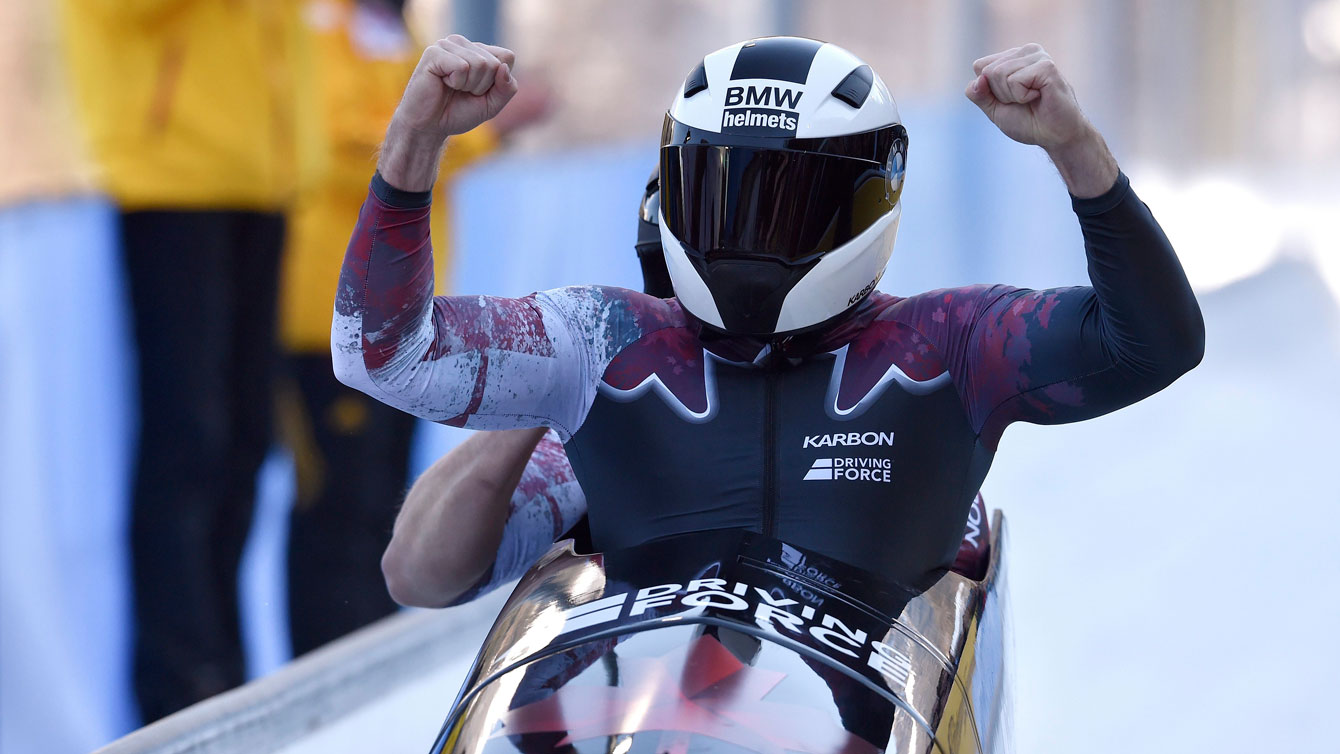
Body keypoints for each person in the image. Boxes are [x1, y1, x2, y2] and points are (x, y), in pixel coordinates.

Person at [334, 36, 1204, 607]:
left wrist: (1075, 148)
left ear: (871, 204)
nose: (752, 239)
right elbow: (383, 364)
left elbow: (1154, 343)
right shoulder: (600, 344)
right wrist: (413, 145)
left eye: (789, 205)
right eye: (723, 198)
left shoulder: (948, 345)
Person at [279, 0, 549, 657]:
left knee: (379, 508)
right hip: (328, 323)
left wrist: (447, 134)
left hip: (396, 326)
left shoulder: (392, 32)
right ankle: (325, 673)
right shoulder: (323, 28)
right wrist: (472, 133)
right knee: (336, 509)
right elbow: (344, 147)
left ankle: (364, 663)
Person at [61, 0, 301, 721]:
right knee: (186, 438)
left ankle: (222, 666)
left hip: (264, 176)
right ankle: (176, 684)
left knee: (244, 439)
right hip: (168, 178)